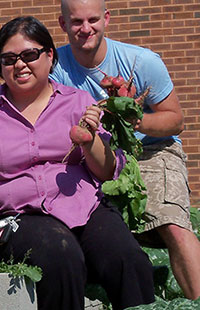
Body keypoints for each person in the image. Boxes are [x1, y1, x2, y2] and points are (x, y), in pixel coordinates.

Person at [0, 16, 155, 310]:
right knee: (61, 257)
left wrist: (89, 142)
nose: (19, 64)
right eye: (9, 59)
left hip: (84, 206)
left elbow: (105, 170)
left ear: (50, 56)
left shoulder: (78, 101)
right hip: (21, 216)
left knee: (129, 259)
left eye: (29, 55)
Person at [50, 0, 200, 300]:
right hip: (90, 157)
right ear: (63, 24)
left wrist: (135, 118)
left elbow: (176, 121)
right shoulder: (53, 67)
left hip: (150, 152)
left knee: (172, 222)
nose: (86, 29)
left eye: (93, 20)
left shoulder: (141, 62)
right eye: (77, 22)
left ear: (106, 18)